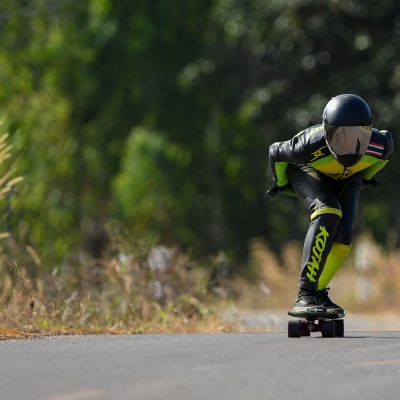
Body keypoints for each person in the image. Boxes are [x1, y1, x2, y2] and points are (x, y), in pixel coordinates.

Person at [267, 94, 394, 315]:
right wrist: (282, 184)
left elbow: (380, 161)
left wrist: (365, 178)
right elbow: (275, 153)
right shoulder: (306, 145)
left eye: (359, 137)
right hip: (306, 169)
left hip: (350, 176)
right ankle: (305, 294)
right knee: (328, 212)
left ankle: (318, 292)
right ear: (326, 132)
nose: (349, 146)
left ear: (369, 131)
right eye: (339, 137)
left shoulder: (382, 144)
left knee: (344, 236)